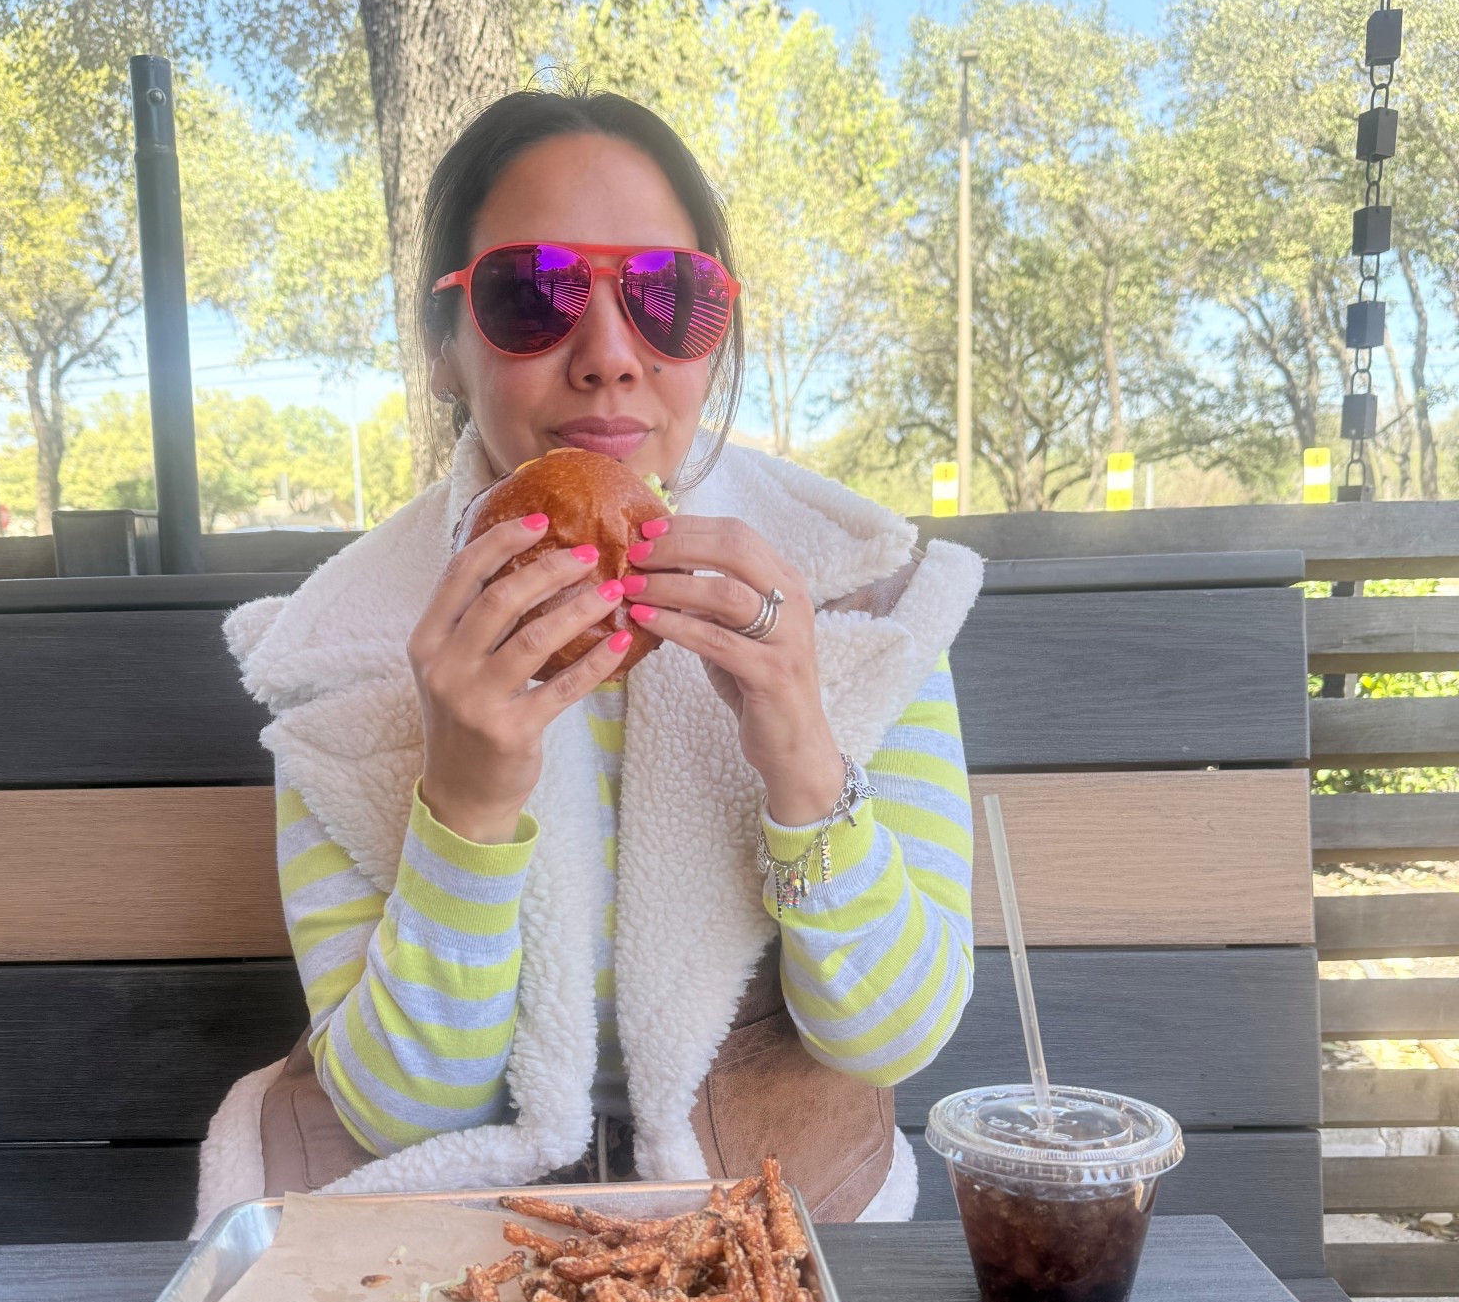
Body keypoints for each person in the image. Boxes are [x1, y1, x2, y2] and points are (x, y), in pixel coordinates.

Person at [193, 89, 981, 1234]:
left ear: (715, 333)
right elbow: (401, 1112)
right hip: (461, 1242)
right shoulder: (342, 650)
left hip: (779, 1235)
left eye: (669, 297)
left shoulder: (862, 601)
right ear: (443, 348)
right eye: (533, 294)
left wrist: (806, 762)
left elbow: (891, 1035)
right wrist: (463, 805)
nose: (611, 355)